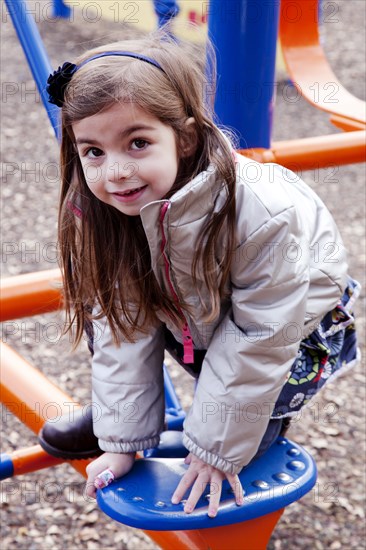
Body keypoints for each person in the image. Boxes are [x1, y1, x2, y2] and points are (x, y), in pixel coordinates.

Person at [38, 31, 360, 518]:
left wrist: (214, 450)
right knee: (121, 316)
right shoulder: (102, 211)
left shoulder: (260, 211)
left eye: (138, 143)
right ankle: (127, 422)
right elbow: (122, 328)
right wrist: (122, 440)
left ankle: (245, 432)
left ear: (185, 138)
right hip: (204, 312)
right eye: (93, 152)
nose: (116, 171)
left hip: (296, 326)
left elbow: (262, 333)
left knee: (231, 440)